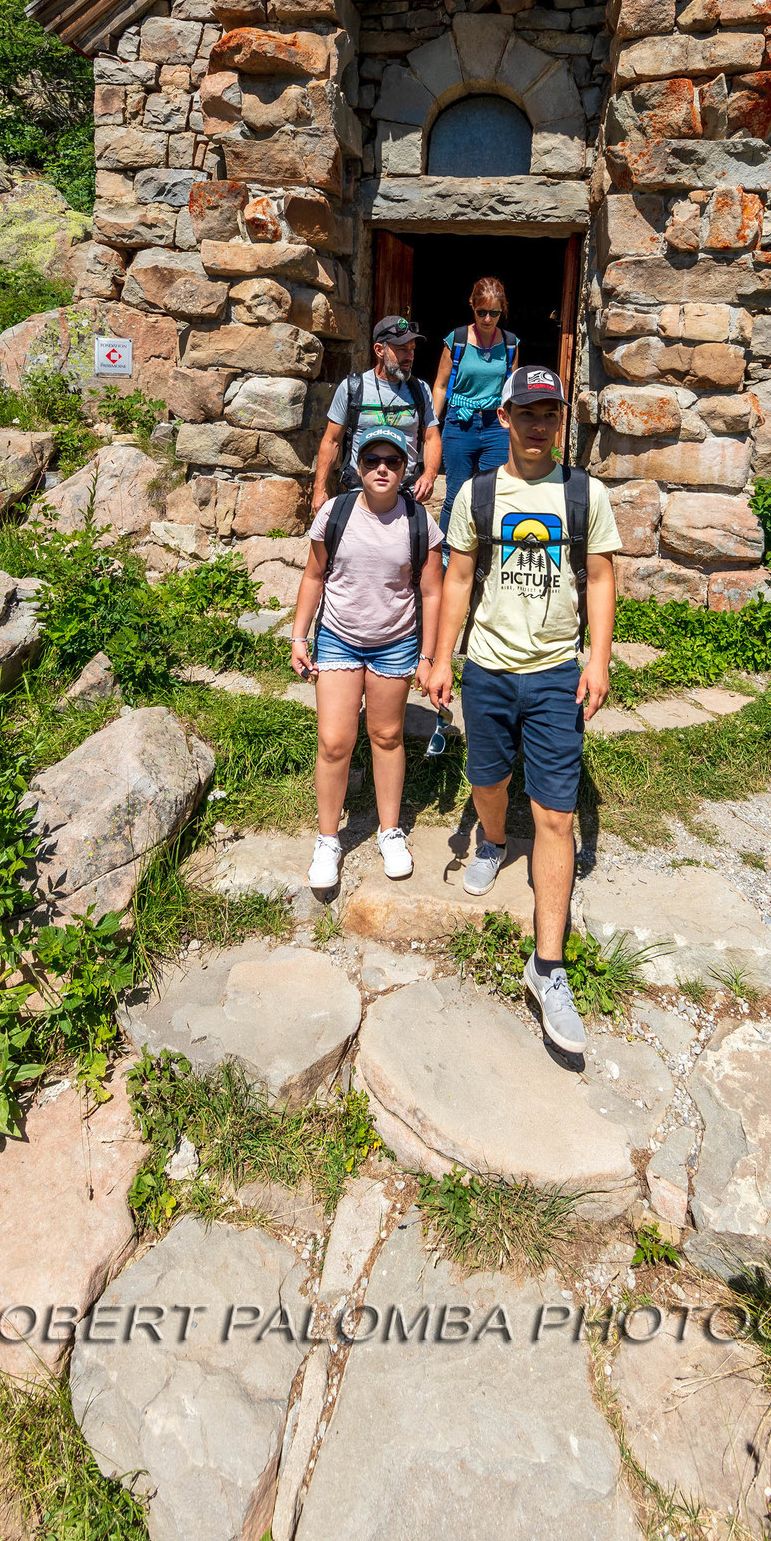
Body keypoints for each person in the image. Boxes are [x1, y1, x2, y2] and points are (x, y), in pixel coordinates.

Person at [426, 367, 620, 1057]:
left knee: (557, 815)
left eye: (550, 411)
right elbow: (454, 577)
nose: (538, 423)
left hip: (554, 672)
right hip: (487, 666)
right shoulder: (476, 494)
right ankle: (492, 838)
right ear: (503, 415)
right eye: (526, 410)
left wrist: (598, 658)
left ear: (560, 419)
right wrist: (442, 655)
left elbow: (599, 576)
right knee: (487, 781)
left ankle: (548, 967)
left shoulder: (582, 493)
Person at [291, 422, 444, 894]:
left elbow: (433, 591)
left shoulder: (420, 523)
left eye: (392, 461)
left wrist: (429, 657)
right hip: (338, 638)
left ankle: (390, 830)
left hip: (395, 641)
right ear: (358, 467)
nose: (382, 469)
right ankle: (328, 838)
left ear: (406, 469)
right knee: (335, 741)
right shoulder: (335, 513)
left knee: (387, 735)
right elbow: (315, 576)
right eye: (372, 461)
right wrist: (299, 637)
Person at [311, 315, 442, 513]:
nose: (410, 356)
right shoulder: (352, 388)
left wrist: (429, 475)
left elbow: (431, 438)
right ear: (380, 350)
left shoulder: (420, 390)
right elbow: (332, 441)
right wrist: (319, 489)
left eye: (412, 349)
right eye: (402, 349)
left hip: (405, 493)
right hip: (359, 492)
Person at [432, 277, 517, 543]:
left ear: (502, 310)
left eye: (494, 313)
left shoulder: (511, 344)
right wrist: (432, 426)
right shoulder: (456, 340)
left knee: (491, 494)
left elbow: (511, 390)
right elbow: (441, 386)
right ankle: (446, 554)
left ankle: (484, 553)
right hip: (460, 422)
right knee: (456, 494)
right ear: (472, 306)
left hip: (495, 425)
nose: (488, 319)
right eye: (482, 312)